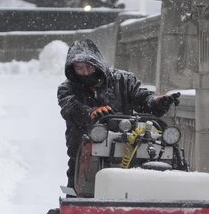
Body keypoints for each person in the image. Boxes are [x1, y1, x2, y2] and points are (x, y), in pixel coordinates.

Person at [57, 39, 180, 189]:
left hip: (126, 145)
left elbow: (143, 100)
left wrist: (157, 102)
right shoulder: (67, 88)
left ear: (97, 63)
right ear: (72, 69)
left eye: (89, 67)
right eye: (79, 68)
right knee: (79, 187)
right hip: (83, 151)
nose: (85, 72)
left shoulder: (124, 80)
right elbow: (70, 107)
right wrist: (90, 113)